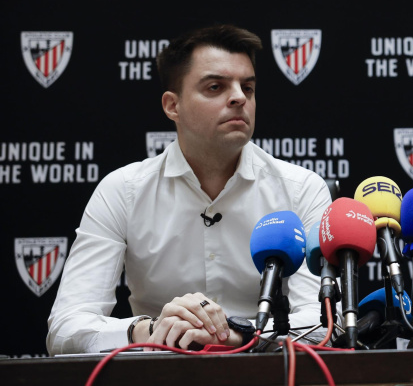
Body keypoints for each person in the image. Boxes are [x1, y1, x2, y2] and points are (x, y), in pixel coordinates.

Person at [47, 25, 331, 354]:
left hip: (265, 370)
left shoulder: (302, 189)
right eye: (215, 86)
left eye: (248, 88)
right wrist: (150, 329)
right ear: (172, 106)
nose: (239, 97)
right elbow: (66, 328)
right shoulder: (122, 191)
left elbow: (323, 322)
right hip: (162, 371)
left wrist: (235, 334)